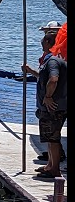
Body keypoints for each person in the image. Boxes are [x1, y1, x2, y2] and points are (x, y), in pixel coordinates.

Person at [22, 32, 67, 178]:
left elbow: (53, 79)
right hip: (51, 107)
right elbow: (43, 77)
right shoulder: (50, 60)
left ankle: (54, 169)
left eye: (43, 39)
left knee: (53, 139)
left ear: (48, 42)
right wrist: (30, 71)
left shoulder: (53, 61)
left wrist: (47, 97)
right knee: (49, 137)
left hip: (53, 107)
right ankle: (49, 165)